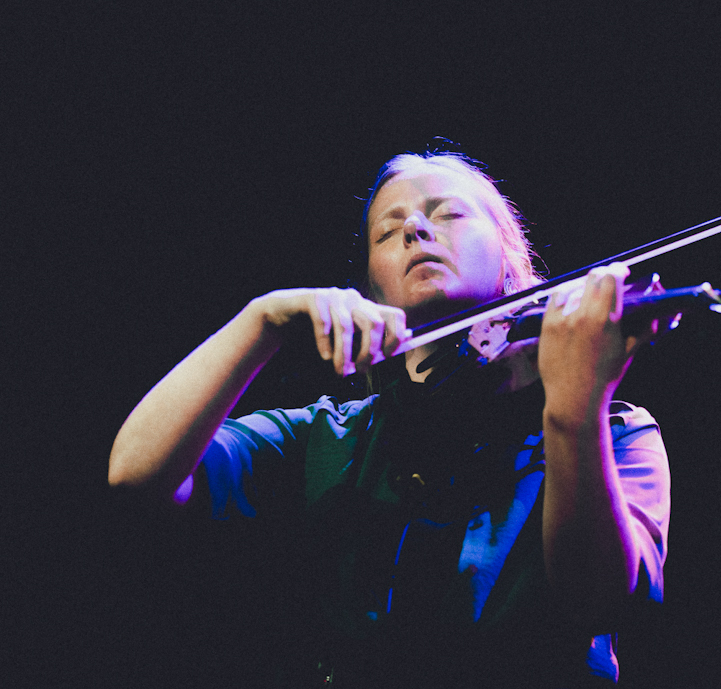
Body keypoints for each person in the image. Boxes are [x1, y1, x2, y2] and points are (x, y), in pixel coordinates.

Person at [109, 150, 671, 687]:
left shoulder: (616, 430)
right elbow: (136, 472)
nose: (415, 231)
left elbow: (599, 601)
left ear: (508, 254)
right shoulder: (329, 435)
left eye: (448, 213)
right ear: (370, 289)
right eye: (388, 230)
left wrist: (574, 413)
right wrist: (264, 320)